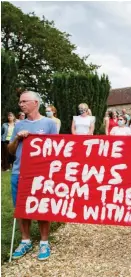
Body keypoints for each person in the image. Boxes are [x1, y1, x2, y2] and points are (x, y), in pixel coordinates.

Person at [8, 90, 58, 261]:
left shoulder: (50, 124)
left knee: (42, 206)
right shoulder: (19, 125)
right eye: (20, 102)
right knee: (21, 207)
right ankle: (25, 240)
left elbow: (57, 149)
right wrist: (17, 140)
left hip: (41, 174)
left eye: (24, 101)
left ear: (35, 103)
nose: (20, 104)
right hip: (19, 172)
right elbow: (10, 150)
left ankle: (44, 242)